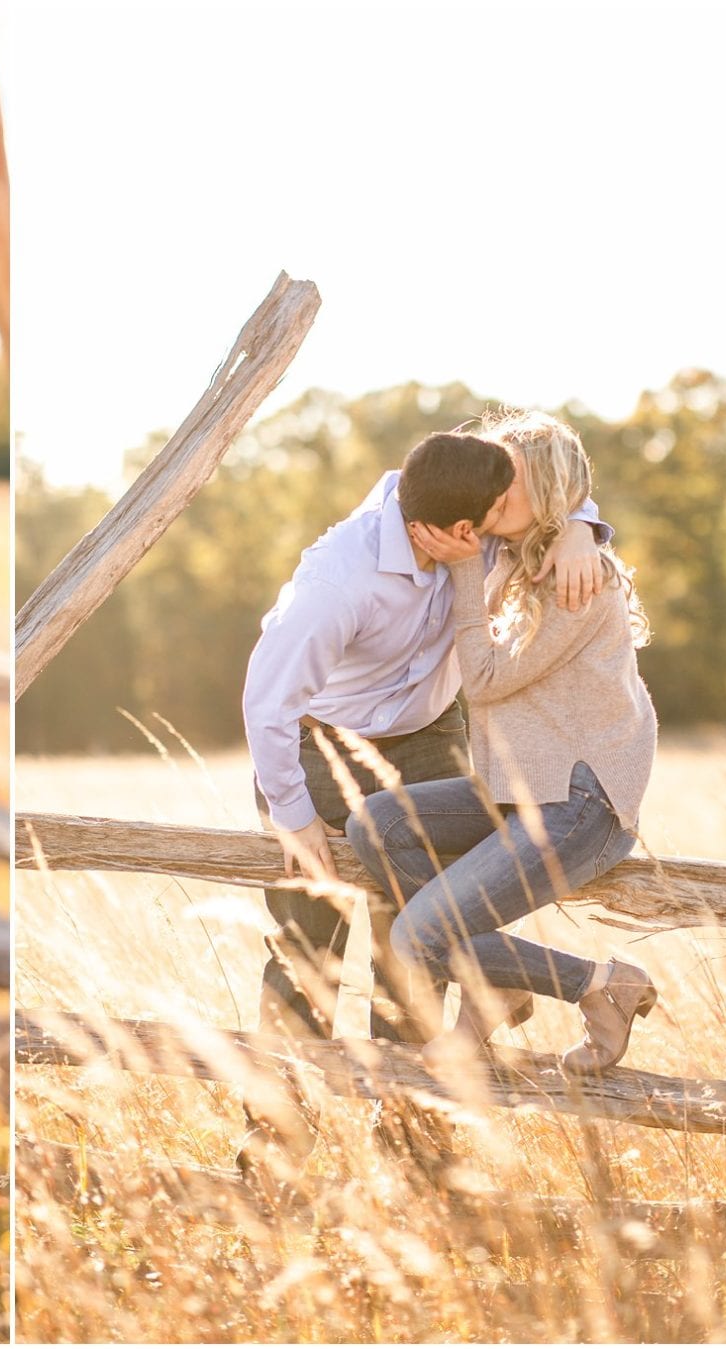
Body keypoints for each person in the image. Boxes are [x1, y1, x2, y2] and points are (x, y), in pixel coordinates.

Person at [241, 432, 610, 1050]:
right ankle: (278, 1130)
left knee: (412, 951)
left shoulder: (466, 501)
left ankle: (411, 1134)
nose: (506, 523)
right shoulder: (336, 583)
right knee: (305, 951)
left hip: (432, 737)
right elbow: (266, 704)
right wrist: (292, 813)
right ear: (456, 530)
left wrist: (581, 528)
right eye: (495, 517)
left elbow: (550, 490)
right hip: (320, 749)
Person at [346, 410, 659, 1072]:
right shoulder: (524, 553)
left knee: (416, 935)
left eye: (505, 483)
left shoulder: (581, 576)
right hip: (518, 791)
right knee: (376, 825)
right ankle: (498, 976)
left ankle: (602, 984)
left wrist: (467, 569)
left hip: (579, 803)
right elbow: (556, 490)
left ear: (544, 488)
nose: (488, 495)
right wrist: (578, 522)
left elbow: (483, 680)